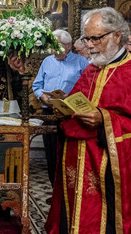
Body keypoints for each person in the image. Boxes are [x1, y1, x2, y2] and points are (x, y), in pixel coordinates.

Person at [46, 7, 131, 234]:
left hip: (113, 172)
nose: (90, 45)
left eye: (96, 38)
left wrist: (104, 120)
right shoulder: (91, 70)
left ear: (117, 35)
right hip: (80, 167)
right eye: (87, 39)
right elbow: (77, 105)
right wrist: (64, 109)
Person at [33, 30, 89, 186]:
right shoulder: (47, 61)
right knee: (51, 154)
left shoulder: (81, 62)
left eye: (58, 47)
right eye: (52, 47)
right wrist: (43, 97)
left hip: (70, 114)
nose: (54, 51)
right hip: (49, 113)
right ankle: (54, 189)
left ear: (69, 45)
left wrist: (69, 98)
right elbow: (37, 85)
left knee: (69, 154)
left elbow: (88, 87)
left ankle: (69, 191)